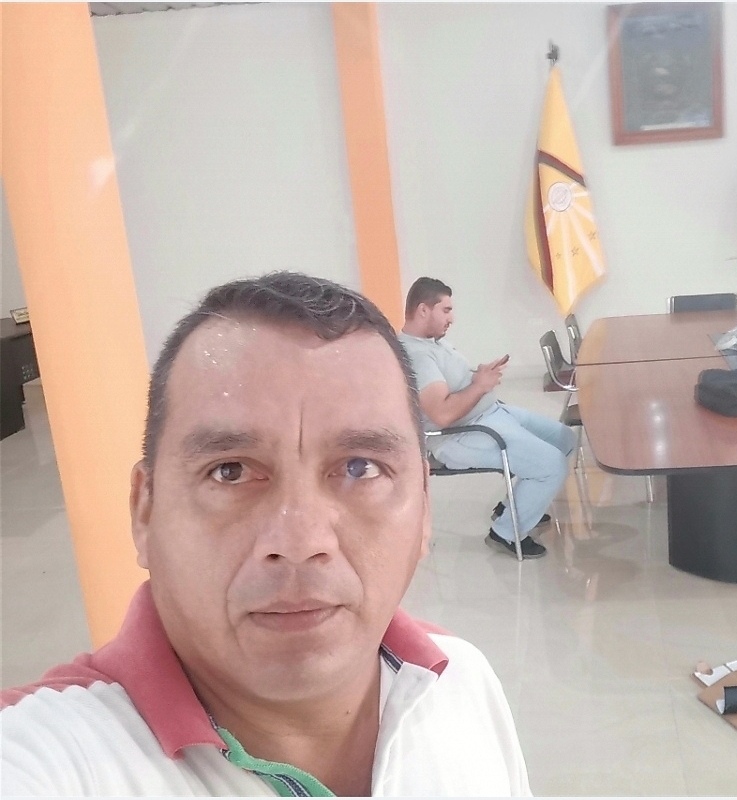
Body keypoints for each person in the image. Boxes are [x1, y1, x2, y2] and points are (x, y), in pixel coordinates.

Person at [0, 273, 531, 796]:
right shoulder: (48, 758)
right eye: (229, 471)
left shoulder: (462, 681)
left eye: (361, 468)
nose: (301, 542)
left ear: (424, 507)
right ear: (145, 510)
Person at [398, 278, 576, 560]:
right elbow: (442, 414)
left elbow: (452, 384)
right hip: (462, 434)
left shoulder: (432, 343)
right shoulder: (417, 356)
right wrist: (480, 385)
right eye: (446, 310)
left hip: (489, 414)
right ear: (423, 310)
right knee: (552, 465)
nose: (451, 318)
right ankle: (505, 533)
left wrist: (477, 376)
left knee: (564, 439)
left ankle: (514, 506)